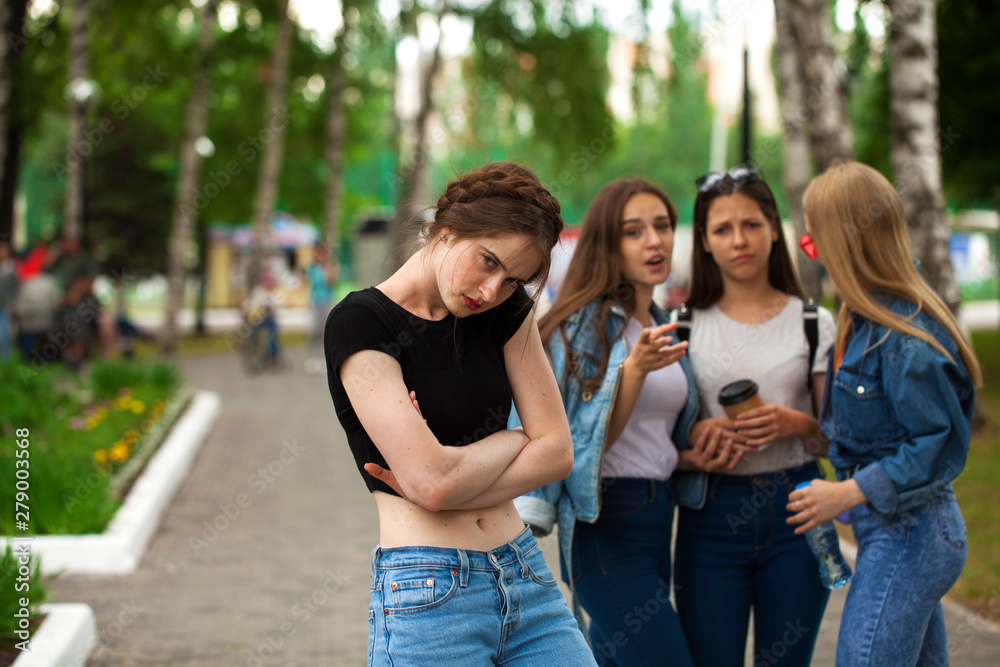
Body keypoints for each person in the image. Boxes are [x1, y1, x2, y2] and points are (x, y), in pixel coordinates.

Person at [323, 162, 595, 666]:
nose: (492, 291)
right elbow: (431, 485)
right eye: (488, 261)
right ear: (446, 229)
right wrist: (517, 439)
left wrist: (451, 475)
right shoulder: (361, 324)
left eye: (513, 280)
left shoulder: (503, 314)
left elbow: (558, 453)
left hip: (525, 575)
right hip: (429, 598)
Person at [514, 178, 735, 667]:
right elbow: (575, 450)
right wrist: (630, 372)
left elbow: (645, 439)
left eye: (662, 226)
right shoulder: (578, 330)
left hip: (660, 519)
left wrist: (690, 452)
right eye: (634, 231)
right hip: (604, 525)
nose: (654, 241)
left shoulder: (662, 324)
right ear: (607, 245)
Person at [789, 161, 980, 667]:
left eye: (814, 242)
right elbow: (870, 434)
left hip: (913, 534)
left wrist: (847, 493)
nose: (815, 256)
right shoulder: (859, 319)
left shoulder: (904, 336)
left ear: (846, 242)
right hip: (889, 531)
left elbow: (936, 445)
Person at [672, 165, 836, 666]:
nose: (738, 240)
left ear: (772, 228)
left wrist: (798, 424)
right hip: (709, 517)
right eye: (722, 229)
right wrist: (695, 440)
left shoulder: (813, 322)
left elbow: (840, 440)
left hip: (797, 510)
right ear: (703, 240)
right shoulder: (680, 327)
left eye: (751, 225)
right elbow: (659, 437)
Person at [305, 241, 337, 374]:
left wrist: (327, 263)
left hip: (326, 301)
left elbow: (331, 280)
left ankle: (326, 359)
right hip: (315, 301)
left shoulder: (329, 265)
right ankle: (314, 357)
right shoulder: (312, 267)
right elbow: (308, 283)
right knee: (314, 331)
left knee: (326, 331)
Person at [243, 272, 280, 363]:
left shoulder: (273, 294)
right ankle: (255, 348)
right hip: (257, 319)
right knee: (254, 331)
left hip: (268, 319)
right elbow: (247, 304)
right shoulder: (257, 292)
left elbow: (275, 306)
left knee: (272, 332)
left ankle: (271, 351)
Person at [0, 240, 18, 359]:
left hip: (5, 305)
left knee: (4, 334)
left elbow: (15, 287)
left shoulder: (11, 267)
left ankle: (6, 360)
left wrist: (12, 304)